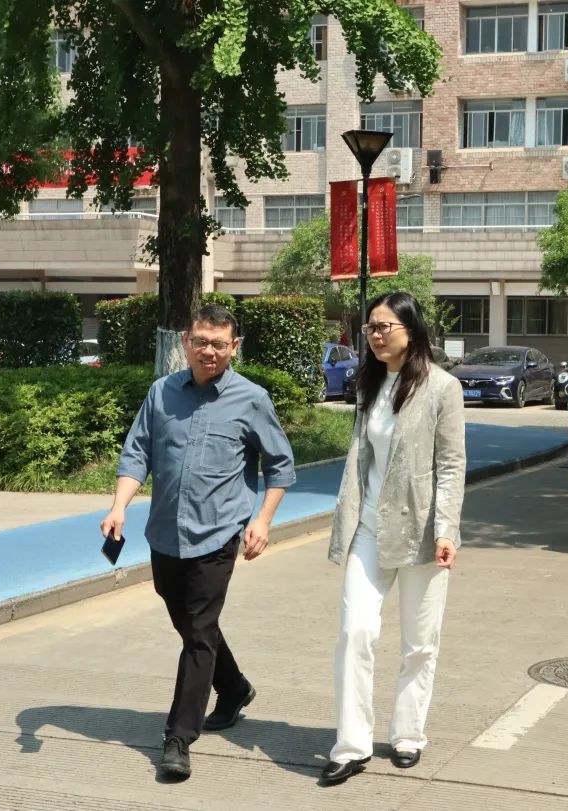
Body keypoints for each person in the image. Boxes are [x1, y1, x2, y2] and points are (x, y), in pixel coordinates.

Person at [100, 303, 295, 780]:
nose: (209, 351)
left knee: (199, 631)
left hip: (217, 532)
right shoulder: (161, 392)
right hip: (165, 532)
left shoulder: (251, 399)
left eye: (219, 344)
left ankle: (178, 737)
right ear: (186, 343)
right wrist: (119, 505)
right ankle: (235, 688)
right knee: (190, 624)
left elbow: (280, 465)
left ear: (234, 347)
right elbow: (137, 452)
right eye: (201, 342)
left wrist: (262, 520)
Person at [322, 291, 465, 786]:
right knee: (355, 631)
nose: (376, 335)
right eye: (371, 328)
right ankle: (351, 745)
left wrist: (446, 529)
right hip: (369, 525)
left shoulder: (443, 387)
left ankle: (408, 734)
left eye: (385, 326)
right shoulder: (369, 384)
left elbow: (451, 465)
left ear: (412, 330)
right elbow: (362, 459)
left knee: (419, 642)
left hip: (423, 530)